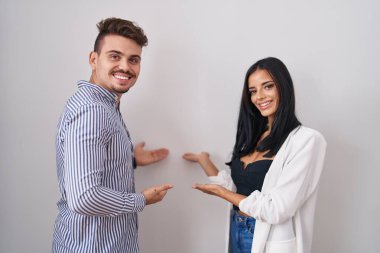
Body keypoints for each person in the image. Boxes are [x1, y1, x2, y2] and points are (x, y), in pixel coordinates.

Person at [52, 17, 173, 253]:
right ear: (93, 60)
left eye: (134, 59)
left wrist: (131, 159)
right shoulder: (93, 111)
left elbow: (91, 166)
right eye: (115, 56)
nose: (126, 67)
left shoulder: (104, 105)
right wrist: (142, 200)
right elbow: (84, 197)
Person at [183, 57, 326, 253]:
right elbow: (238, 188)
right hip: (237, 228)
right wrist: (204, 160)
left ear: (283, 87)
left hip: (268, 239)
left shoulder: (307, 140)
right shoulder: (252, 137)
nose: (259, 96)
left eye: (267, 86)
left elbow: (277, 209)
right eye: (253, 91)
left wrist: (220, 193)